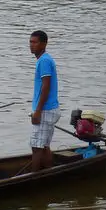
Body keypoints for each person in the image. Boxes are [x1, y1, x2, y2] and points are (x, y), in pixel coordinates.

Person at [29, 30, 60, 171]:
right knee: (44, 145)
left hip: (45, 110)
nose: (31, 45)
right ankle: (49, 172)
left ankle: (32, 180)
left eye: (35, 42)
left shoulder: (44, 61)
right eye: (30, 42)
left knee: (36, 147)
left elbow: (46, 87)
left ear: (44, 44)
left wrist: (38, 111)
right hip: (48, 109)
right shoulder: (43, 60)